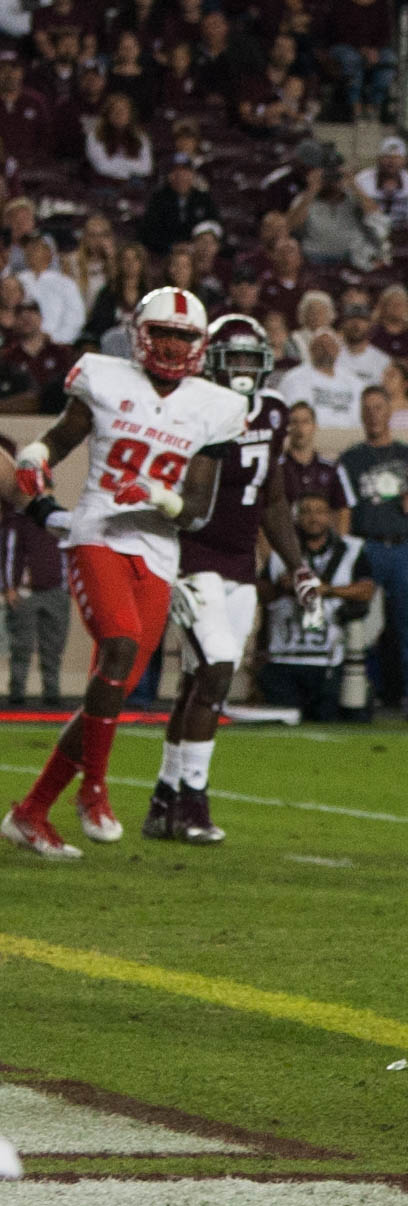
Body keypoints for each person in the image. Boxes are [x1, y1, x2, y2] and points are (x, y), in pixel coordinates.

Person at [1, 288, 249, 859]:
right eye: (161, 331)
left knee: (106, 693)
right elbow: (60, 439)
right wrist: (36, 460)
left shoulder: (214, 407)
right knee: (117, 646)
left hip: (158, 553)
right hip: (98, 533)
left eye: (183, 336)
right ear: (139, 332)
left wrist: (160, 495)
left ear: (200, 345)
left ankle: (32, 811)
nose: (170, 344)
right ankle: (93, 790)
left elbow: (197, 508)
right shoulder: (105, 378)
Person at [141, 315, 317, 843]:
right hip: (191, 557)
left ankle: (164, 801)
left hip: (241, 564)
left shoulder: (274, 411)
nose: (241, 368)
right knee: (217, 669)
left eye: (249, 358)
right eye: (232, 357)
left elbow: (275, 497)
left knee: (200, 681)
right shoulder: (190, 408)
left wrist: (298, 565)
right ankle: (194, 800)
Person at [338, 390, 408, 720]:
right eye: (367, 409)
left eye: (378, 408)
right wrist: (344, 551)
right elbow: (342, 507)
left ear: (389, 413)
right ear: (361, 414)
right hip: (366, 546)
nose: (373, 415)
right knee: (353, 624)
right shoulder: (351, 459)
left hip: (403, 545)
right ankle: (350, 697)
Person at [260, 493, 375, 722]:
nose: (313, 518)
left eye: (320, 511)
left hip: (328, 658)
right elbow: (260, 593)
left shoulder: (351, 549)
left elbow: (367, 589)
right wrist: (284, 587)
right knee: (281, 722)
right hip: (285, 657)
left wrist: (327, 590)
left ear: (331, 516)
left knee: (332, 720)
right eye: (307, 512)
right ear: (297, 517)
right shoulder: (278, 553)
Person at [4, 485, 68, 706]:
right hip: (26, 593)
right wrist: (9, 587)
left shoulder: (61, 518)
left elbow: (68, 554)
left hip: (56, 591)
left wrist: (68, 587)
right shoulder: (19, 522)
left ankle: (52, 692)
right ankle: (17, 692)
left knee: (53, 647)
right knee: (21, 645)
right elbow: (10, 554)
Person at [278, 401, 353, 533]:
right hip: (286, 542)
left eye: (305, 422)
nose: (300, 428)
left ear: (314, 426)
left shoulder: (332, 468)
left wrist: (340, 545)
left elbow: (343, 509)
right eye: (294, 422)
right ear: (286, 427)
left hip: (323, 545)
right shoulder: (276, 468)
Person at [275, 330, 364, 431]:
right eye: (320, 346)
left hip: (350, 437)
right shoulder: (294, 379)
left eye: (330, 345)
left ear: (338, 350)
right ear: (311, 350)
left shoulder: (353, 381)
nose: (326, 350)